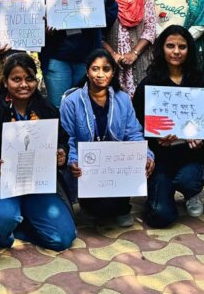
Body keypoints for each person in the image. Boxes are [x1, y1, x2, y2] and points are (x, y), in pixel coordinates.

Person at [0, 53, 76, 252]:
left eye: (29, 79)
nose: (23, 85)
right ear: (5, 82)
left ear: (36, 80)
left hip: (37, 185)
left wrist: (62, 153)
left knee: (62, 239)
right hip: (0, 185)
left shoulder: (47, 110)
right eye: (16, 79)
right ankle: (0, 229)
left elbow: (62, 138)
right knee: (0, 221)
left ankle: (21, 225)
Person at [132, 26, 204, 227]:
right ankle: (162, 190)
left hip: (193, 156)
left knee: (188, 180)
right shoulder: (149, 84)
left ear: (189, 50)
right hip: (161, 157)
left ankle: (192, 193)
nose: (176, 51)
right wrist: (155, 138)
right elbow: (136, 125)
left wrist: (202, 139)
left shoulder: (201, 82)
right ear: (161, 48)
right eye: (170, 46)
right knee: (161, 216)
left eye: (182, 47)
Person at [60, 49, 153, 227]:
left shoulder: (123, 99)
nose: (100, 74)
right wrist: (73, 160)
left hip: (117, 166)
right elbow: (67, 137)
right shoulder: (71, 101)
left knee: (115, 207)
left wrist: (146, 154)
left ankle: (123, 206)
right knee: (99, 211)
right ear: (87, 71)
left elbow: (133, 133)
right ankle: (91, 204)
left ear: (113, 72)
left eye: (106, 69)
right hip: (87, 168)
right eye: (95, 69)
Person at [33, 0, 118, 102]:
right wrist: (43, 29)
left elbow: (107, 22)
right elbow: (35, 21)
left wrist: (110, 0)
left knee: (83, 105)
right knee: (59, 106)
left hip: (87, 58)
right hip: (57, 58)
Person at [103, 0, 157, 96]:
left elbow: (150, 28)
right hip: (110, 61)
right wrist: (113, 54)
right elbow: (96, 32)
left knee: (140, 101)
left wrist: (134, 53)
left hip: (139, 60)